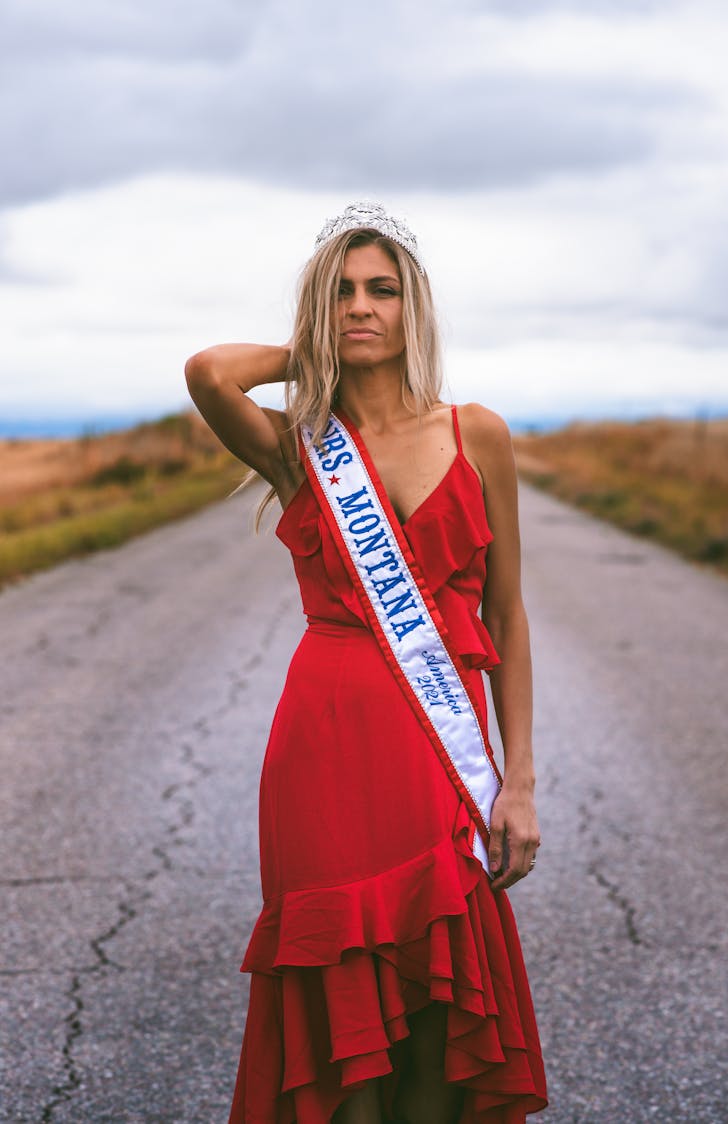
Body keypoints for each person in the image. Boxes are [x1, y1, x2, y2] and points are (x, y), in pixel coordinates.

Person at [184, 202, 547, 1124]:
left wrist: (520, 784)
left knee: (435, 1012)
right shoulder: (299, 448)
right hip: (326, 745)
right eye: (341, 293)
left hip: (438, 751)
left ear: (412, 306)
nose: (362, 307)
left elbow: (504, 612)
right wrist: (311, 351)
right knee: (347, 1026)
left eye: (382, 290)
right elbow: (209, 372)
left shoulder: (480, 434)